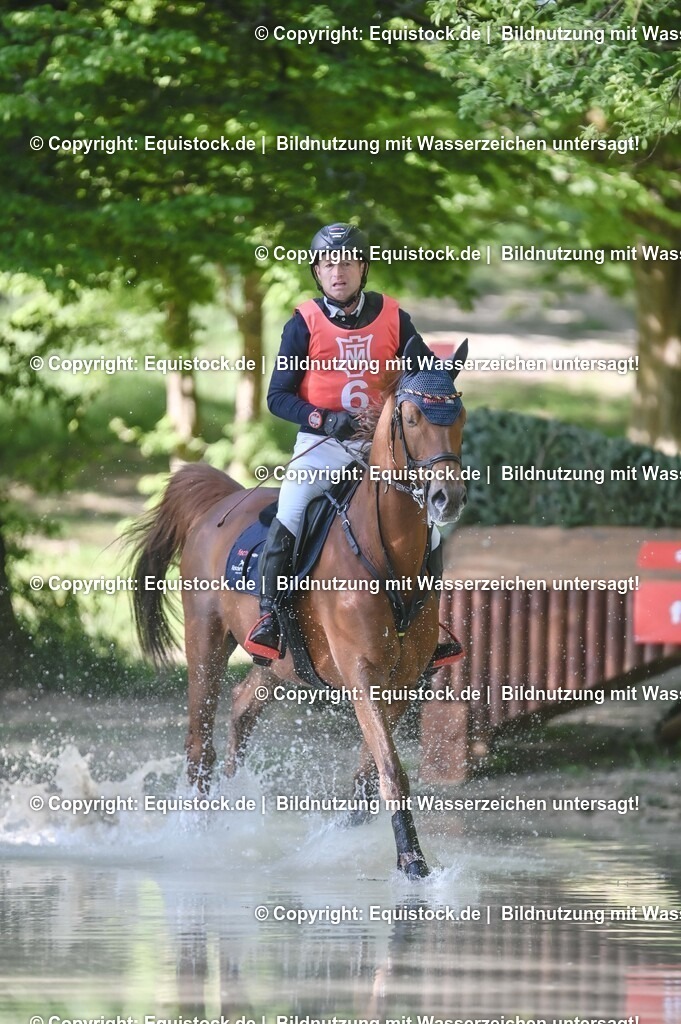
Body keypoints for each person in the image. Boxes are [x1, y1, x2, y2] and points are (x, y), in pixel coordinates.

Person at [244, 222, 461, 668]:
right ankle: (270, 618)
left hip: (382, 450)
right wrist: (324, 418)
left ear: (362, 269)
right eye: (327, 265)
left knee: (433, 526)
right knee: (292, 507)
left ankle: (428, 624)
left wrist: (443, 381)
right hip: (322, 445)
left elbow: (424, 375)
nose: (337, 272)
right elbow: (277, 397)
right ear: (317, 273)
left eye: (346, 263)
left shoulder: (394, 317)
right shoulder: (302, 323)